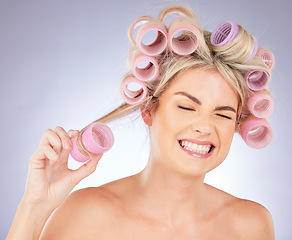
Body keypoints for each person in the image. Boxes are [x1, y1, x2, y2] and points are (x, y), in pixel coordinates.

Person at [7, 5, 275, 239]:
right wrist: (34, 207)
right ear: (148, 109)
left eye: (223, 114)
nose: (205, 127)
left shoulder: (250, 226)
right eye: (186, 106)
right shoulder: (87, 215)